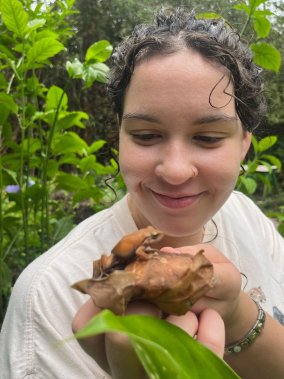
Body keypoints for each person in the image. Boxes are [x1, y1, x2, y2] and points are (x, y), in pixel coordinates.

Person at [1, 6, 284, 379]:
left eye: (208, 138)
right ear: (119, 136)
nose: (176, 170)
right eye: (147, 136)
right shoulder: (48, 298)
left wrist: (241, 318)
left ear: (245, 143)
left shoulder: (248, 218)